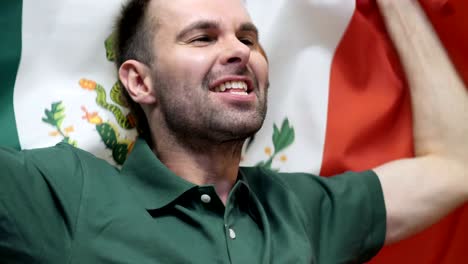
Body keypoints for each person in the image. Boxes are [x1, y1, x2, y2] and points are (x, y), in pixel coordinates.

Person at [0, 0, 466, 263]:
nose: (239, 52)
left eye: (248, 38)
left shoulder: (299, 210)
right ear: (140, 81)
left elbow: (456, 164)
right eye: (202, 38)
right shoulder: (66, 195)